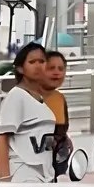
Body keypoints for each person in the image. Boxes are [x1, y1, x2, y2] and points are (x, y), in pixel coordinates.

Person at [0, 43, 57, 184]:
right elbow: (1, 139)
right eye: (32, 62)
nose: (38, 66)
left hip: (42, 174)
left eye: (42, 61)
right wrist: (5, 180)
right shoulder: (16, 96)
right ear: (21, 68)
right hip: (23, 173)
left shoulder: (39, 99)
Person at [42, 51, 71, 179]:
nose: (56, 72)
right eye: (51, 68)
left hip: (58, 162)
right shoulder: (29, 97)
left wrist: (66, 139)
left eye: (61, 68)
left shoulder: (60, 98)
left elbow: (61, 128)